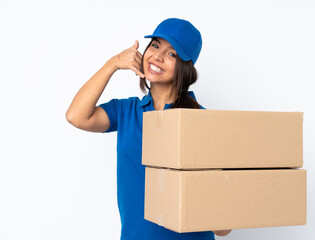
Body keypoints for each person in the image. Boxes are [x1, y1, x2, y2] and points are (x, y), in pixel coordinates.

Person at [66, 18, 231, 240]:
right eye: (155, 46)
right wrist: (113, 63)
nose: (158, 57)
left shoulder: (201, 122)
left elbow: (223, 228)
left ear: (185, 67)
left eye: (172, 54)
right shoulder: (125, 111)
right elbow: (76, 116)